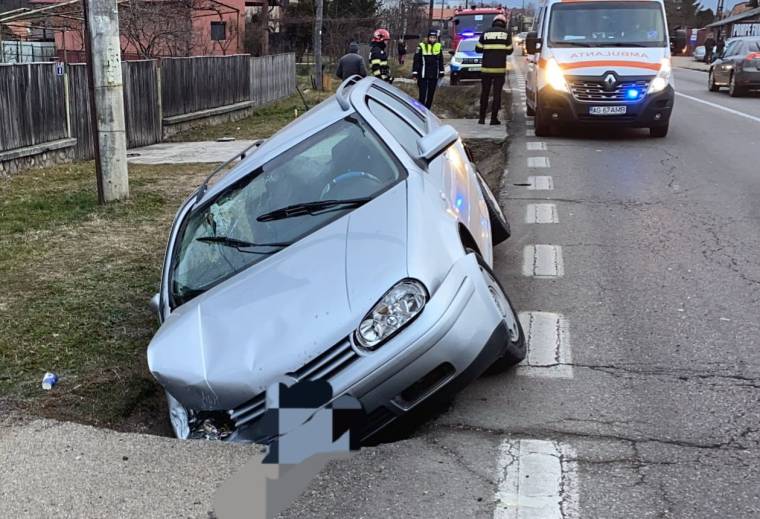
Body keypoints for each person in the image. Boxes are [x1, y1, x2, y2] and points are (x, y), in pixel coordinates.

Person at [475, 14, 513, 125]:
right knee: (497, 94)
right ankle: (493, 119)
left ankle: (481, 119)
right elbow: (509, 50)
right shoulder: (506, 34)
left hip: (486, 69)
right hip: (499, 70)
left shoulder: (486, 32)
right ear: (504, 23)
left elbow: (478, 49)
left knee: (485, 93)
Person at [412, 28, 445, 109]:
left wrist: (441, 71)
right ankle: (420, 111)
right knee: (422, 96)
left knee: (430, 96)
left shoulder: (438, 46)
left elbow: (440, 60)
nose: (432, 39)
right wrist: (415, 72)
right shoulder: (421, 46)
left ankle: (427, 111)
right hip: (423, 74)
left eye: (434, 38)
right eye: (431, 37)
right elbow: (416, 60)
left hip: (434, 75)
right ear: (428, 37)